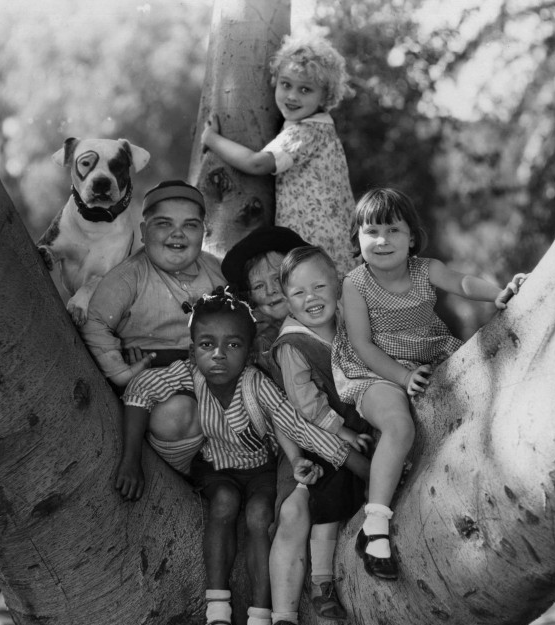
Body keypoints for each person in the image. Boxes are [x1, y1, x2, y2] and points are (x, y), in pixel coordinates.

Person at [114, 287, 358, 625]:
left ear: (250, 350)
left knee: (262, 514)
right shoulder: (189, 375)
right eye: (207, 345)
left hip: (261, 471)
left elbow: (299, 428)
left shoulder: (256, 384)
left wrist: (360, 465)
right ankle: (219, 620)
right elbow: (139, 391)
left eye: (233, 345)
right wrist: (129, 459)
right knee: (224, 502)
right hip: (216, 472)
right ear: (192, 350)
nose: (219, 355)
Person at [332, 187, 526, 581]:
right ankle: (376, 525)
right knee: (399, 423)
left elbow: (463, 282)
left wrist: (499, 293)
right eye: (371, 232)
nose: (382, 240)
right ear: (357, 239)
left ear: (412, 238)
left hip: (428, 351)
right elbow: (361, 344)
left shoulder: (426, 269)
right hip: (372, 366)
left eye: (393, 230)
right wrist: (402, 377)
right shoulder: (355, 283)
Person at [264, 246, 371, 625]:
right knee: (325, 499)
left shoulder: (352, 325)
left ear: (340, 283)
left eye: (320, 287)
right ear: (285, 300)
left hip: (364, 428)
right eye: (297, 292)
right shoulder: (293, 345)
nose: (311, 298)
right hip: (320, 442)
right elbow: (306, 406)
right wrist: (344, 434)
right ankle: (320, 582)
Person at [81, 180, 225, 474]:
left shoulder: (215, 270)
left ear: (204, 232)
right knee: (176, 416)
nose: (177, 234)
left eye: (190, 225)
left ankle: (220, 467)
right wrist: (118, 370)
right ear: (145, 233)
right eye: (164, 224)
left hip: (213, 376)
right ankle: (186, 473)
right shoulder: (130, 276)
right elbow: (95, 322)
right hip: (153, 383)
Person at [201, 33, 355, 277]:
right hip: (325, 244)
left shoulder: (308, 131)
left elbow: (256, 163)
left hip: (316, 242)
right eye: (286, 84)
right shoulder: (319, 129)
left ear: (325, 97)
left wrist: (212, 139)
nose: (292, 96)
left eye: (305, 89)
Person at [219, 225, 309, 362]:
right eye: (259, 286)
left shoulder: (324, 316)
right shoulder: (258, 343)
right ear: (249, 296)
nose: (270, 290)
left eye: (278, 279)